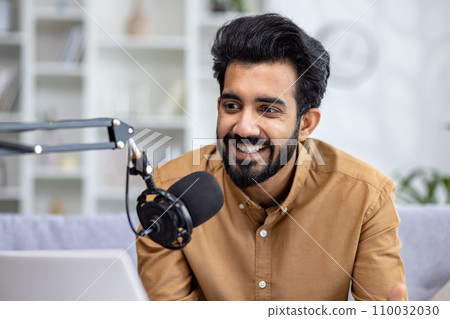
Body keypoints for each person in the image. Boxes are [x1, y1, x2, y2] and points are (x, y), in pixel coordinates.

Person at [136, 13, 407, 301]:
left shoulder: (367, 197)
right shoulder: (168, 191)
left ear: (305, 124)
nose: (243, 127)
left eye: (268, 109)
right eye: (232, 105)